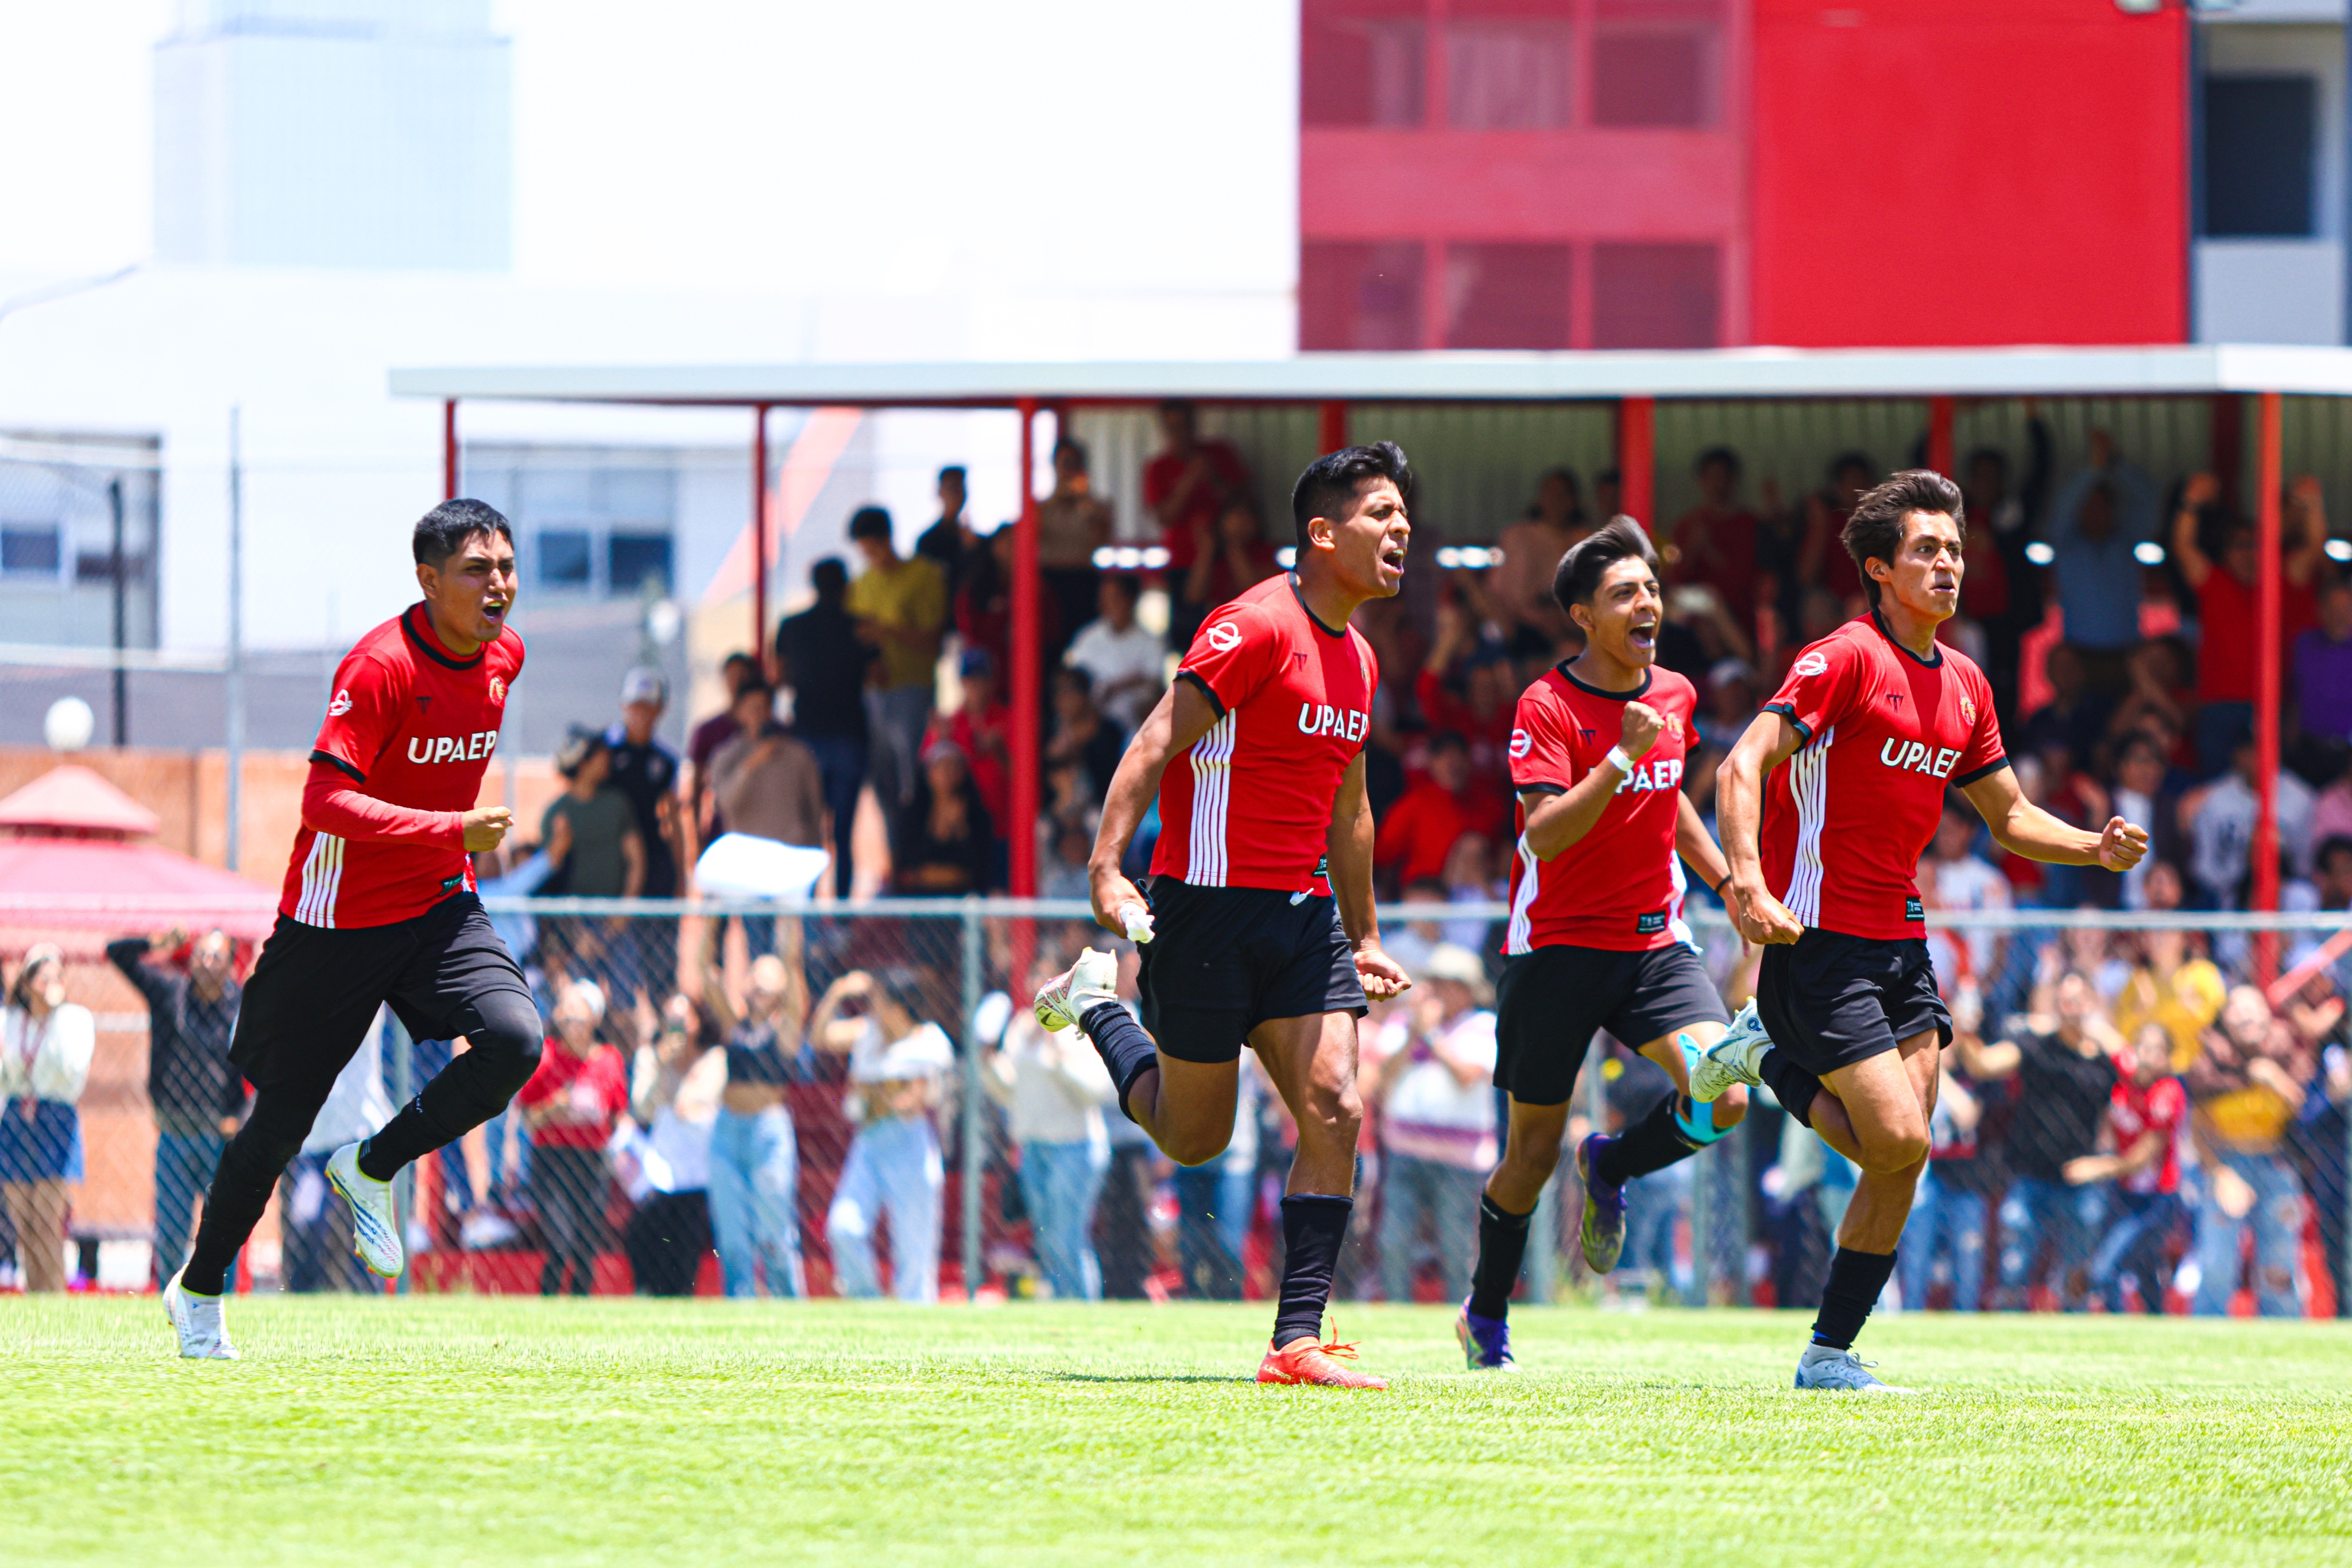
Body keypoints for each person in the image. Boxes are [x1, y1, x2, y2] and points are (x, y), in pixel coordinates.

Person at [1701, 470, 2148, 1391]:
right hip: (1815, 940)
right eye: (1926, 550)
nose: (1948, 563)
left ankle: (1828, 1355)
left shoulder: (1970, 684)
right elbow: (1739, 764)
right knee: (1898, 1140)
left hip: (1902, 943)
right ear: (1880, 569)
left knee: (1902, 1154)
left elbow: (2013, 817)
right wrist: (1745, 880)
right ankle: (1764, 1054)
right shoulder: (1843, 659)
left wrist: (2093, 847)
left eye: (1954, 548)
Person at [1033, 442, 1415, 1389]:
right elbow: (1158, 737)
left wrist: (1363, 933)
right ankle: (1094, 1006)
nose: (1400, 529)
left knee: (1335, 1103)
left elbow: (1350, 809)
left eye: (1403, 516)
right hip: (1201, 916)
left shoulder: (1361, 660)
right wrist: (1105, 869)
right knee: (1193, 1137)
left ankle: (1297, 1339)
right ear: (1321, 535)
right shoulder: (1252, 627)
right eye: (1380, 515)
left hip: (1302, 915)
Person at [165, 498, 542, 1361]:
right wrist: (449, 827)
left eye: (508, 567)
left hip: (441, 901)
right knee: (279, 1126)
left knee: (517, 1040)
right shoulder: (377, 667)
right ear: (429, 579)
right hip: (336, 920)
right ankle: (199, 1291)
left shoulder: (505, 656)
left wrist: (448, 848)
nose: (500, 586)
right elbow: (322, 801)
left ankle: (372, 1164)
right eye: (479, 570)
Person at [1456, 519, 1759, 1372]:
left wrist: (1730, 880)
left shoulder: (1674, 693)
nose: (1648, 603)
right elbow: (1546, 835)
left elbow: (1674, 801)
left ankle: (1615, 1161)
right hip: (1553, 949)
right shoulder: (1545, 705)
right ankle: (1485, 1316)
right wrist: (1618, 760)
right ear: (1583, 617)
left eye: (1652, 589)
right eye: (1627, 592)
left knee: (1726, 1094)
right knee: (1528, 1157)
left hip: (1655, 943)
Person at [1956, 972, 2124, 1312]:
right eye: (2063, 1001)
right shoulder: (2034, 1047)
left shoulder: (2106, 1061)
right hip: (2030, 1179)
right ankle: (2008, 1347)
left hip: (2082, 1181)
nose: (2069, 1008)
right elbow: (1983, 1065)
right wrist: (1965, 1031)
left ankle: (2076, 1350)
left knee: (2078, 1278)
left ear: (2091, 1003)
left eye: (2077, 1000)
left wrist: (2102, 1165)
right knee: (2014, 1272)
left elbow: (2136, 1088)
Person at [107, 927, 243, 1287]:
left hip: (221, 1140)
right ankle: (171, 1305)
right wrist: (156, 944)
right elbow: (116, 953)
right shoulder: (170, 994)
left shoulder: (243, 1006)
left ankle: (222, 1305)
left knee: (225, 1230)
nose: (207, 962)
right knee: (170, 1232)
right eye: (201, 954)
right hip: (174, 1134)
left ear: (231, 965)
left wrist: (243, 1116)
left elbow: (263, 1067)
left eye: (216, 956)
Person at [812, 969, 955, 1302]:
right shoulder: (868, 1032)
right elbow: (820, 1037)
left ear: (898, 1007)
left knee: (914, 1252)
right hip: (869, 1142)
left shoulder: (927, 1039)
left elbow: (914, 1100)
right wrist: (837, 991)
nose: (873, 1006)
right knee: (843, 1226)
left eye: (880, 1000)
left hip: (910, 1143)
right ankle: (868, 1302)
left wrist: (878, 1092)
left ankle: (916, 1333)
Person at [2171, 472, 2327, 776]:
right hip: (2219, 705)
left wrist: (2313, 505)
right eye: (2239, 546)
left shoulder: (2282, 578)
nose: (2248, 553)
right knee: (2215, 782)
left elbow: (2314, 547)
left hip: (2272, 706)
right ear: (2225, 553)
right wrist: (2190, 504)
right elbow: (2183, 546)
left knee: (2271, 786)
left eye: (2255, 545)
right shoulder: (2214, 582)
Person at [1368, 943, 1496, 1307]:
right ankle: (1397, 1311)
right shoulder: (1403, 1026)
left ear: (1467, 989)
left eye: (1447, 983)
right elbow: (1383, 1081)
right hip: (1405, 1152)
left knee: (1456, 1244)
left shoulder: (1483, 1026)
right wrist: (1413, 1035)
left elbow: (1468, 1076)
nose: (1438, 990)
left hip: (1460, 1160)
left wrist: (1431, 1036)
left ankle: (1465, 1314)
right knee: (1394, 1238)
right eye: (1434, 982)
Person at [988, 955, 1118, 1300]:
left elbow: (1097, 1091)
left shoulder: (1080, 1027)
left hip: (1074, 1147)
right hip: (1033, 1146)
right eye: (1037, 980)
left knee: (1068, 1238)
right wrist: (988, 1065)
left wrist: (1057, 1058)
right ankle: (1061, 1312)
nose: (1041, 988)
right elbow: (1011, 1092)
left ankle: (1082, 1314)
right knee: (1047, 1241)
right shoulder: (1020, 1026)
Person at [2184, 985, 2313, 1317]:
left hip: (2276, 1165)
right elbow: (2197, 1127)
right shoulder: (2209, 1062)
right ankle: (2204, 1347)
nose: (2246, 1015)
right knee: (2216, 1265)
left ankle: (2286, 1350)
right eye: (2237, 1009)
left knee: (2280, 1265)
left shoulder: (2289, 1054)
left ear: (2270, 1016)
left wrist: (2277, 1080)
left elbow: (2309, 1113)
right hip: (2226, 1162)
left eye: (2254, 1006)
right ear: (2224, 1019)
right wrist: (2221, 1174)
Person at [703, 950, 813, 1299]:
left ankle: (787, 1307)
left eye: (770, 981)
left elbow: (797, 987)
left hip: (767, 1132)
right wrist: (712, 919)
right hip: (726, 1130)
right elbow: (707, 977)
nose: (760, 988)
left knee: (773, 1232)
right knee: (732, 1237)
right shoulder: (736, 1027)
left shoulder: (785, 1029)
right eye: (756, 978)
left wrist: (790, 929)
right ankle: (740, 1309)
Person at [517, 979, 628, 1296]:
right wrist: (555, 1108)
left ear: (594, 1018)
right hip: (553, 1158)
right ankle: (549, 1300)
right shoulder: (547, 1055)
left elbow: (617, 1115)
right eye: (566, 1016)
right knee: (559, 1240)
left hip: (591, 1160)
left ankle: (581, 1302)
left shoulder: (608, 1059)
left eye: (578, 1016)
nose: (571, 1023)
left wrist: (596, 1120)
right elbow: (529, 1118)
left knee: (586, 1242)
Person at [776, 557, 874, 896]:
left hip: (807, 738)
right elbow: (879, 676)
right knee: (843, 832)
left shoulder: (792, 626)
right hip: (849, 736)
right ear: (846, 587)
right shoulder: (860, 627)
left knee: (810, 830)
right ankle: (841, 915)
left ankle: (809, 917)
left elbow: (778, 676)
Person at [845, 505, 949, 824]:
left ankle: (916, 850)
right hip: (874, 693)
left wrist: (888, 632)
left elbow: (934, 640)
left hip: (913, 690)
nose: (870, 556)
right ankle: (896, 855)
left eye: (873, 547)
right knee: (883, 782)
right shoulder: (860, 585)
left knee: (915, 778)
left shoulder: (925, 576)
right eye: (864, 550)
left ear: (887, 539)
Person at [1, 946, 94, 1293]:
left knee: (47, 1216)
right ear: (26, 983)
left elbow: (71, 1071)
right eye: (44, 978)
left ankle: (54, 1294)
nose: (51, 985)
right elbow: (7, 1076)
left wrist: (52, 1017)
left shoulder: (74, 1020)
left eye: (57, 978)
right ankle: (35, 1293)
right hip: (17, 1117)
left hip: (55, 1116)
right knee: (22, 1218)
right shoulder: (10, 1020)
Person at [2079, 1023, 2188, 1314]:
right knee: (2145, 1270)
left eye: (2158, 1051)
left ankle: (2120, 1334)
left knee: (2105, 1268)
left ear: (2168, 1059)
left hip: (2156, 1198)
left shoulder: (2167, 1093)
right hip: (2125, 1192)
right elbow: (2099, 1029)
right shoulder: (2126, 1072)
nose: (2149, 1056)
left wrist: (2096, 1167)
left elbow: (2142, 1158)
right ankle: (2154, 1334)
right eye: (2143, 1048)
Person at [278, 1016, 392, 1294]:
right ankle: (301, 1302)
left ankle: (369, 1303)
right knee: (303, 1222)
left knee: (363, 1230)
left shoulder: (364, 996)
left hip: (358, 1138)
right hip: (312, 1145)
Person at [621, 992, 721, 1297]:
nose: (676, 1027)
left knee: (684, 1247)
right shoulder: (650, 1058)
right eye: (671, 1020)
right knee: (642, 1234)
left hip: (696, 1170)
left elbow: (704, 1104)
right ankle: (646, 1292)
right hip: (660, 1170)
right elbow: (643, 1109)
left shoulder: (713, 1059)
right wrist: (662, 1066)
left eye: (683, 1020)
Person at [2045, 431, 2160, 691]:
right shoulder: (2066, 543)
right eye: (2089, 506)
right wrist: (2093, 471)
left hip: (2127, 654)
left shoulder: (2127, 540)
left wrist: (2116, 464)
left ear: (2112, 510)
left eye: (2102, 506)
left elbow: (2149, 504)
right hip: (2078, 656)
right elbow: (2064, 506)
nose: (2096, 513)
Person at [1144, 400, 1252, 649]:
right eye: (1173, 428)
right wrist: (1189, 480)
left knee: (1236, 635)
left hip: (1226, 559)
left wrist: (1212, 476)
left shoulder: (1220, 455)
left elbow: (1244, 499)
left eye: (1185, 426)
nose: (1180, 434)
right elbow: (1164, 516)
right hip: (1184, 561)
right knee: (1189, 642)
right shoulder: (1158, 468)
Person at [711, 682, 829, 857]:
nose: (760, 715)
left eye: (765, 708)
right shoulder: (726, 757)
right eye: (754, 709)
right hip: (746, 857)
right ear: (740, 713)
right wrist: (749, 766)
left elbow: (815, 809)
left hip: (791, 854)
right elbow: (725, 804)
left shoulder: (798, 755)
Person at [603, 667, 685, 899]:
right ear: (624, 706)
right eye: (636, 706)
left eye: (648, 707)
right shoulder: (604, 754)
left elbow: (673, 818)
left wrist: (681, 876)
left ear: (660, 710)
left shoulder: (665, 761)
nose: (642, 714)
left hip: (653, 859)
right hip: (611, 859)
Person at [1038, 437, 1115, 658]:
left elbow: (1102, 538)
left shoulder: (1098, 506)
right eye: (1064, 463)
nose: (1069, 469)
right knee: (1050, 648)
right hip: (1051, 581)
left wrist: (1083, 500)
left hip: (1085, 580)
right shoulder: (1041, 508)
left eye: (1074, 463)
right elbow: (1030, 538)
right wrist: (1056, 500)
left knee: (1087, 645)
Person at [1670, 446, 1759, 637]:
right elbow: (1675, 580)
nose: (1718, 484)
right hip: (1695, 621)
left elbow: (1745, 578)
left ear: (1733, 480)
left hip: (1741, 614)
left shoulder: (1750, 524)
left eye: (1723, 477)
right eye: (1711, 478)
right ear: (1701, 481)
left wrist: (1709, 550)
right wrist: (1693, 550)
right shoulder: (1687, 525)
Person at [893, 739, 997, 895]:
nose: (947, 772)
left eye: (954, 766)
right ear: (928, 773)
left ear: (963, 773)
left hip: (964, 904)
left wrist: (961, 830)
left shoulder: (977, 817)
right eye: (941, 765)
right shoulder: (912, 816)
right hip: (919, 905)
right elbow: (906, 872)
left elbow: (980, 871)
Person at [1063, 574, 1165, 732]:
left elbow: (1156, 686)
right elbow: (1072, 679)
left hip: (1136, 728)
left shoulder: (1151, 642)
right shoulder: (1087, 638)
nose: (1109, 605)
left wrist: (1121, 686)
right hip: (1094, 726)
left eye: (1115, 598)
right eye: (1105, 599)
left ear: (1131, 600)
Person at [688, 651, 761, 844]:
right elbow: (697, 788)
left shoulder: (775, 734)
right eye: (731, 677)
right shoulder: (708, 731)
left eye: (742, 677)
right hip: (723, 827)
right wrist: (697, 835)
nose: (737, 683)